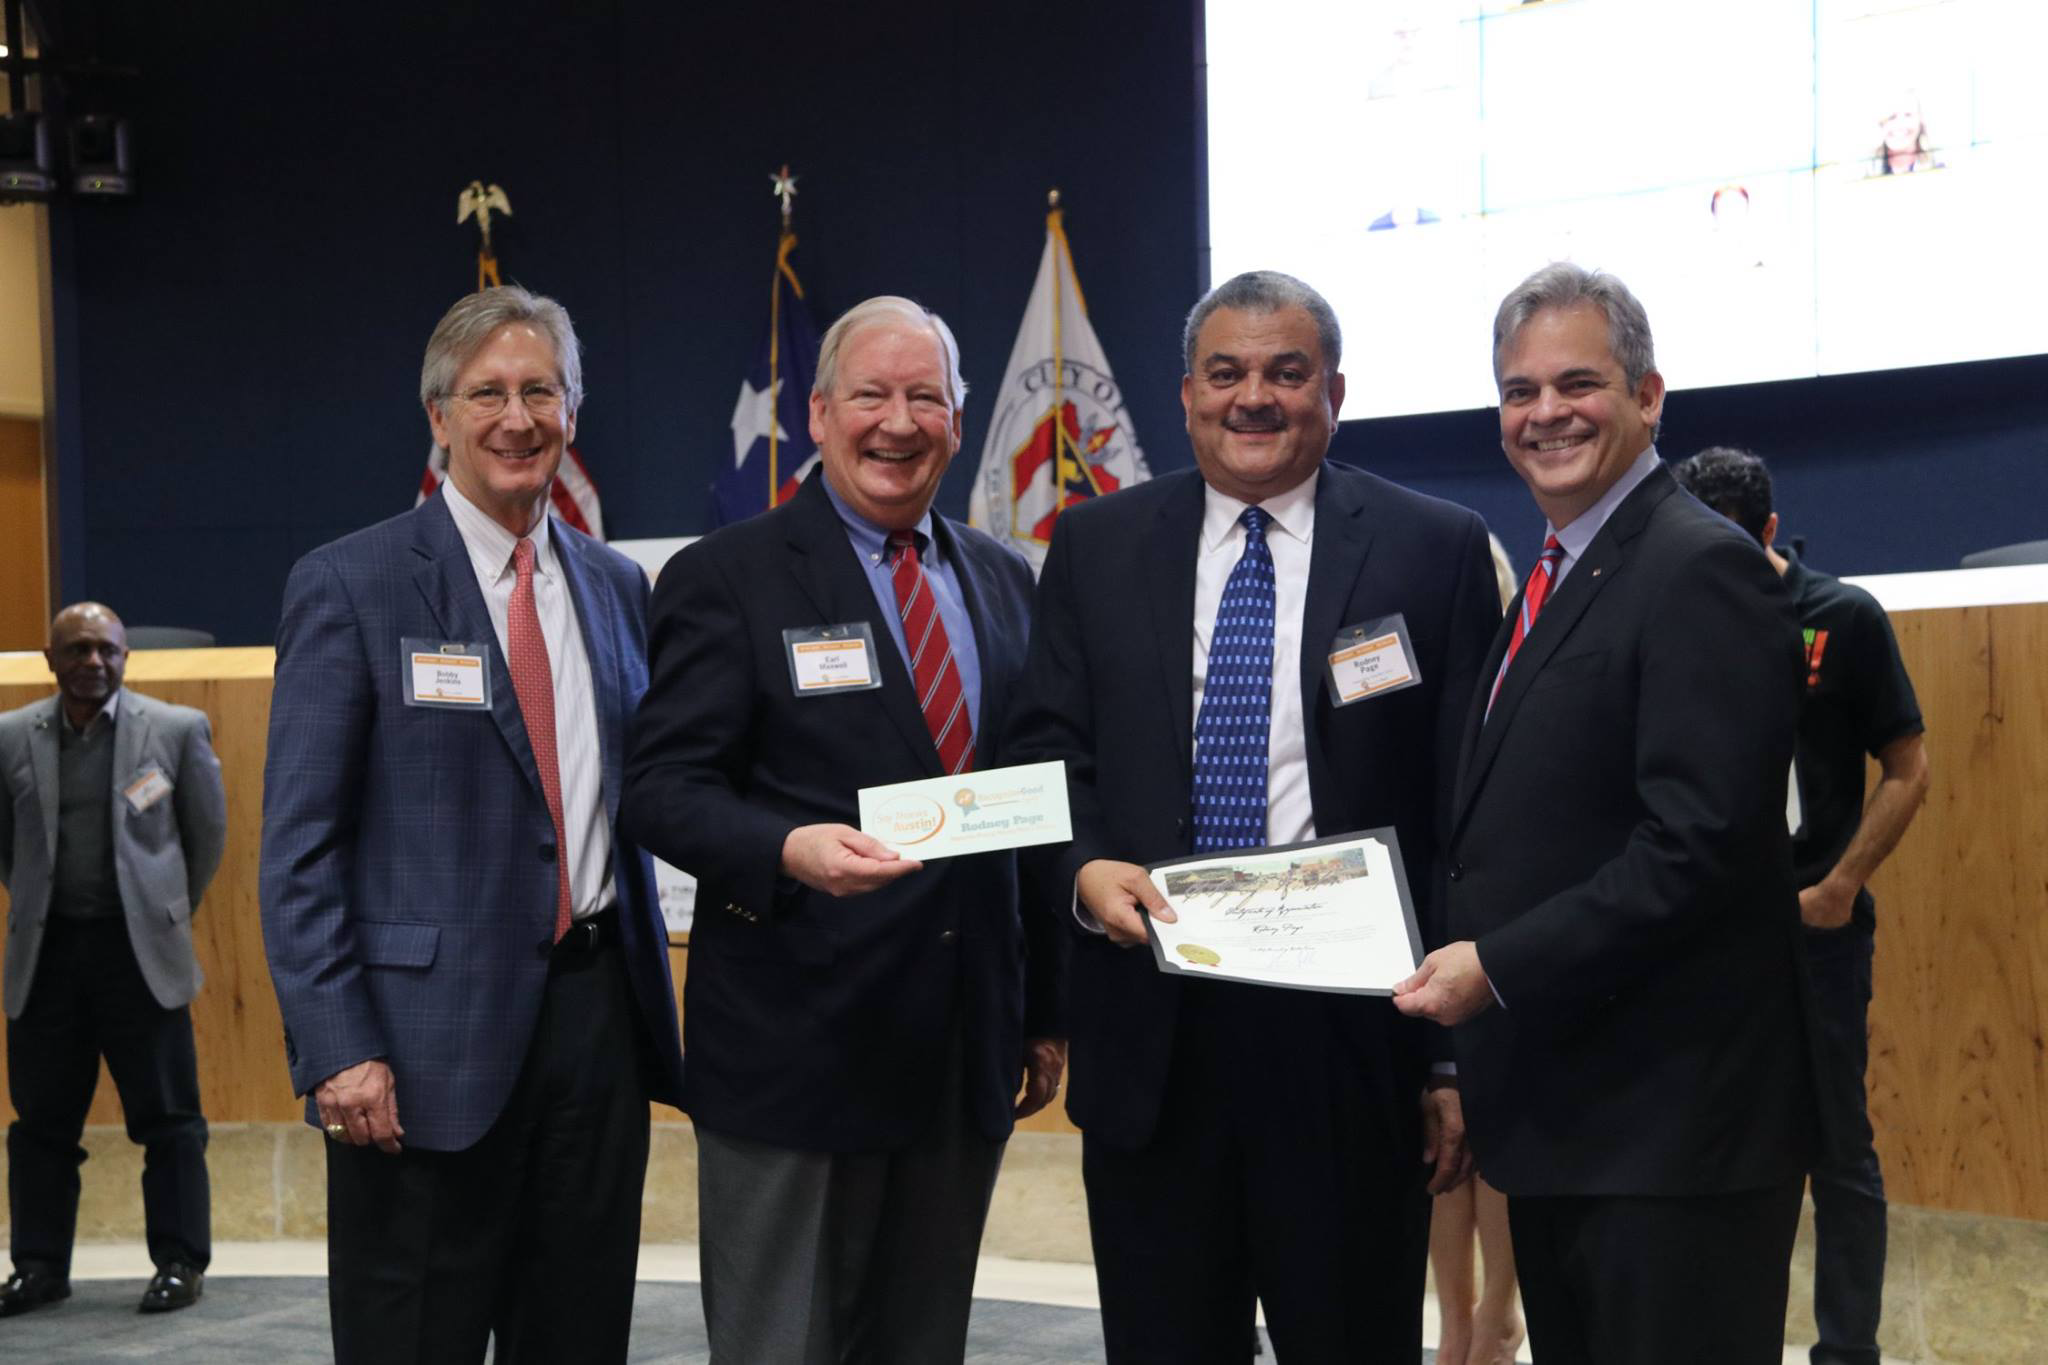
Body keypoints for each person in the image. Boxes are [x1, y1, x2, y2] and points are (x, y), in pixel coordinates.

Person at [1007, 270, 1500, 1362]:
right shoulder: (1095, 545)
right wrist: (1084, 871)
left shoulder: (1435, 547)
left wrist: (1450, 1063)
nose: (1253, 397)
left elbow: (1467, 810)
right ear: (1184, 394)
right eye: (1225, 373)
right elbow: (1047, 749)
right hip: (1153, 1033)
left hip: (1354, 1043)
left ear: (1334, 390)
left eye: (1286, 372)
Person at [620, 295, 1062, 1364]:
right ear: (817, 414)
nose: (896, 422)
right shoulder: (726, 576)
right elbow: (659, 788)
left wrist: (1044, 1009)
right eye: (870, 394)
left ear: (959, 421)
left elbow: (1034, 806)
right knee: (788, 1347)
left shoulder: (1004, 580)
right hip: (796, 1050)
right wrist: (786, 850)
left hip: (962, 1052)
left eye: (925, 397)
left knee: (921, 1346)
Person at [1395, 262, 1817, 1363]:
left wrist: (1495, 964)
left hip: (1671, 1138)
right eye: (1517, 391)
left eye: (1575, 383)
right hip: (1573, 1124)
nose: (1543, 414)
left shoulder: (1698, 570)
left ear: (1647, 396)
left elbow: (1698, 847)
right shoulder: (1555, 576)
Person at [259, 285, 686, 1364]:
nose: (516, 417)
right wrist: (339, 1046)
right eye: (486, 392)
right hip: (412, 1054)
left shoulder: (616, 586)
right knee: (414, 1338)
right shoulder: (349, 585)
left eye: (540, 390)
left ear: (573, 412)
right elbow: (299, 850)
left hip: (597, 1028)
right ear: (438, 417)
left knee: (578, 1334)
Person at [1672, 446, 1929, 1365]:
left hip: (1816, 930)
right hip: (1700, 935)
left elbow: (1908, 767)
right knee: (1712, 1149)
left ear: (1771, 532)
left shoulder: (1842, 616)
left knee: (1838, 1152)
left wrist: (1842, 883)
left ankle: (1846, 1351)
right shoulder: (1676, 618)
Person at [0, 603, 225, 1316]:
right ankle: (38, 1267)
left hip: (141, 957)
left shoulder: (176, 729)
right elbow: (7, 845)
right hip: (49, 954)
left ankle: (180, 1262)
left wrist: (160, 912)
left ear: (126, 655)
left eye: (105, 649)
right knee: (40, 1124)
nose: (92, 662)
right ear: (50, 658)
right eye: (77, 650)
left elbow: (205, 833)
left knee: (170, 1120)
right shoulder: (9, 736)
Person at [1427, 535, 1523, 1365]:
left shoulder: (1522, 656)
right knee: (1441, 1148)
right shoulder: (1412, 660)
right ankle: (1455, 1318)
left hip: (1500, 923)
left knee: (1493, 1138)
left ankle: (1498, 1311)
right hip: (1427, 920)